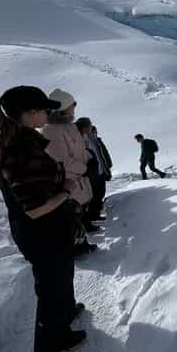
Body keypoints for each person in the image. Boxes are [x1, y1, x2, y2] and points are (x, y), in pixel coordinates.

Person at [0, 86, 87, 352]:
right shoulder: (19, 151)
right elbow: (35, 209)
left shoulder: (22, 140)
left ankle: (64, 313)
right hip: (41, 231)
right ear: (29, 114)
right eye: (44, 109)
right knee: (50, 283)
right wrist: (66, 188)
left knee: (62, 274)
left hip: (49, 229)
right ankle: (51, 340)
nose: (49, 113)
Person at [41, 89, 100, 241]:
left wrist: (90, 159)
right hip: (69, 182)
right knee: (72, 215)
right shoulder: (50, 131)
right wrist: (86, 169)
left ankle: (83, 238)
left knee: (80, 210)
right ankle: (77, 246)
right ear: (63, 106)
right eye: (72, 103)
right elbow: (63, 161)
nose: (75, 106)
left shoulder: (71, 125)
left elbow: (81, 149)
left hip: (81, 179)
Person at [75, 118, 111, 221]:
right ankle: (90, 217)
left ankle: (95, 214)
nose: (92, 128)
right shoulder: (80, 139)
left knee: (100, 193)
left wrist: (106, 169)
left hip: (99, 171)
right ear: (84, 127)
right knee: (92, 196)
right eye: (89, 126)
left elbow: (102, 155)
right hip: (90, 173)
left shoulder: (94, 139)